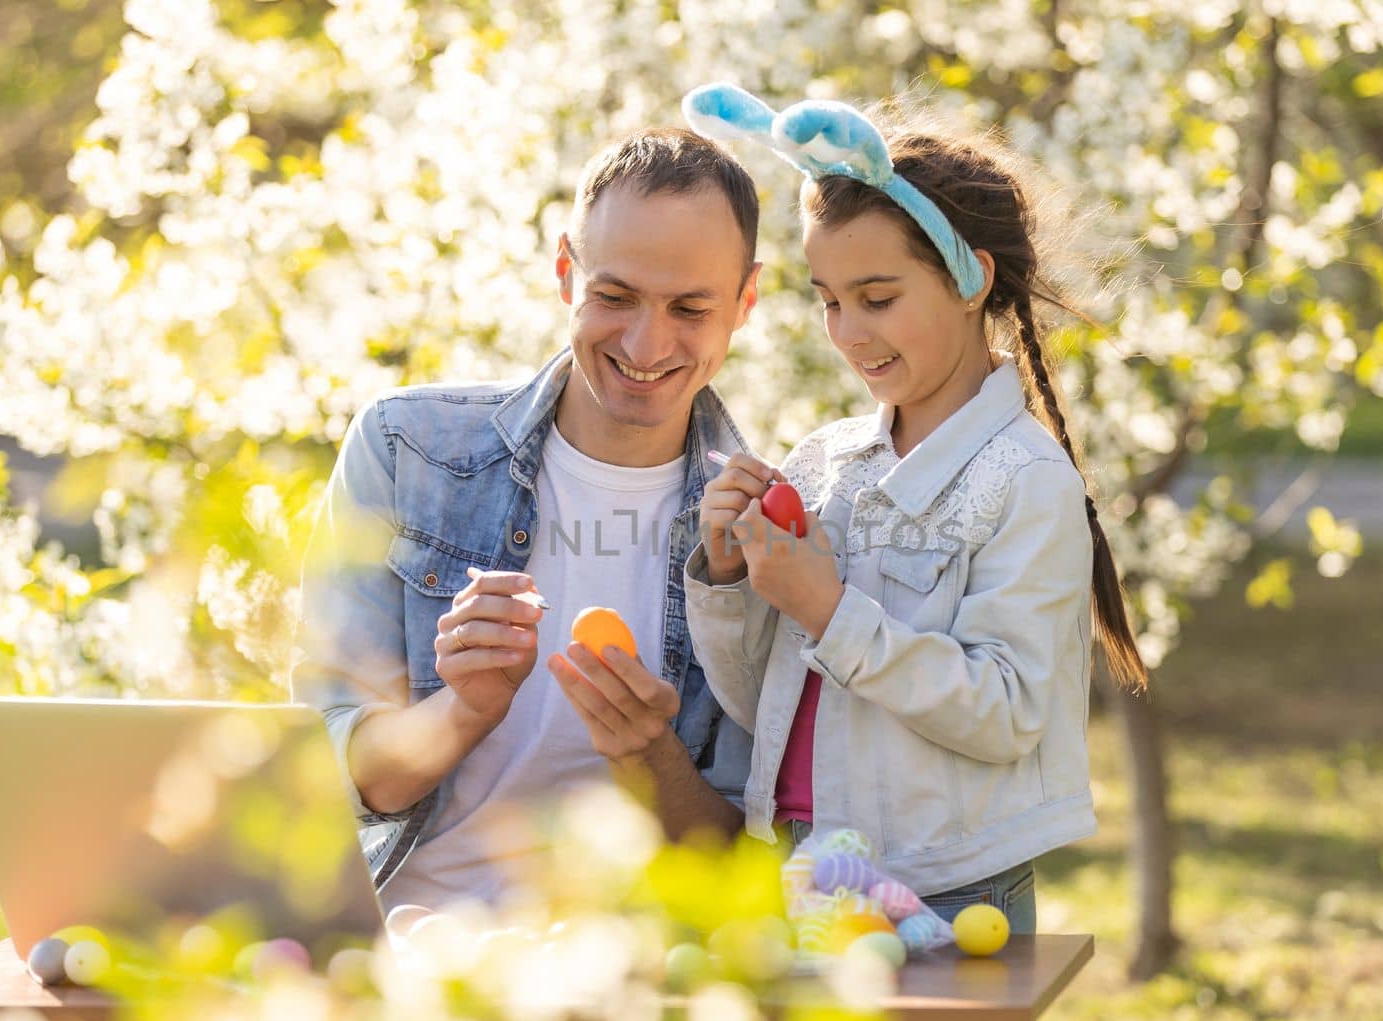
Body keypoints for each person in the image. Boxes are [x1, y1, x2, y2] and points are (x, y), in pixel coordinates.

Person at [681, 86, 1148, 931]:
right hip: (796, 867)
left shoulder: (1025, 482)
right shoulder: (824, 462)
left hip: (944, 887)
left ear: (971, 278)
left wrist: (828, 607)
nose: (848, 332)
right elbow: (760, 701)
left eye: (877, 297)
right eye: (828, 299)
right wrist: (727, 576)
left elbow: (1008, 712)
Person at [293, 128, 762, 909]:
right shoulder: (407, 450)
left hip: (640, 974)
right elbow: (326, 773)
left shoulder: (762, 530)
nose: (647, 344)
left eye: (690, 308)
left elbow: (744, 863)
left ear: (745, 303)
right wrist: (464, 709)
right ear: (563, 271)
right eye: (614, 297)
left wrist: (650, 755)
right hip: (404, 951)